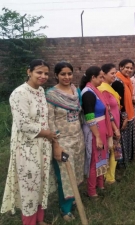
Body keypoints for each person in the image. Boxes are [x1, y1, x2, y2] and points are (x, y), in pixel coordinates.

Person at [1, 59, 57, 225]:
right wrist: (47, 133)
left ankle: (39, 219)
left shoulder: (40, 91)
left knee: (40, 181)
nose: (43, 76)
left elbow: (43, 117)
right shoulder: (19, 93)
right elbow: (23, 124)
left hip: (42, 145)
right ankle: (29, 222)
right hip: (26, 146)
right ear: (29, 72)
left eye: (46, 73)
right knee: (29, 185)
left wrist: (48, 136)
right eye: (39, 72)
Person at [45, 61, 84, 221]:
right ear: (56, 75)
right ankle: (65, 208)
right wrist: (56, 145)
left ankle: (74, 198)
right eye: (63, 74)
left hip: (78, 138)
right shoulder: (51, 95)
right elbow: (50, 120)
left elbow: (80, 114)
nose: (67, 77)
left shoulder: (77, 91)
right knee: (65, 175)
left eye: (69, 73)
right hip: (62, 141)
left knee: (77, 171)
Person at [80, 66, 113, 198]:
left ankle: (100, 184)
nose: (102, 79)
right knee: (94, 160)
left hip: (101, 128)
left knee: (102, 157)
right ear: (92, 77)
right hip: (94, 131)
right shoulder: (88, 93)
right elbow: (89, 116)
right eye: (100, 77)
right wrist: (97, 136)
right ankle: (92, 191)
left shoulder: (95, 91)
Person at [98, 63, 121, 184]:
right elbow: (107, 111)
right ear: (104, 74)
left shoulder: (109, 87)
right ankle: (108, 178)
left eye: (115, 73)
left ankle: (111, 176)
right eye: (112, 73)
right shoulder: (103, 89)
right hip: (110, 126)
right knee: (110, 151)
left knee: (114, 151)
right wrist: (115, 128)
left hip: (115, 125)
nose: (114, 75)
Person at [111, 59, 135, 165]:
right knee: (122, 140)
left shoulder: (127, 80)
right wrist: (124, 117)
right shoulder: (117, 81)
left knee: (127, 139)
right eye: (127, 67)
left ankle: (128, 160)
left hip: (129, 113)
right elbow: (119, 102)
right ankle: (121, 164)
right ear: (121, 67)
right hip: (122, 116)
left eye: (131, 68)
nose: (129, 70)